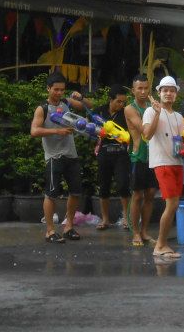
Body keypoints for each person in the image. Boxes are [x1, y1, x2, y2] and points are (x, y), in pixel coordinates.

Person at [29, 71, 86, 243]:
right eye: (56, 90)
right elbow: (34, 131)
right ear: (48, 89)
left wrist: (81, 98)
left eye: (62, 90)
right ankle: (50, 231)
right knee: (51, 194)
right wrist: (56, 131)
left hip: (71, 154)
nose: (59, 93)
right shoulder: (42, 108)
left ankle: (68, 227)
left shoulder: (67, 103)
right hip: (54, 156)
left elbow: (87, 108)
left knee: (76, 192)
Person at [141, 76, 184, 259]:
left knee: (173, 205)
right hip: (162, 163)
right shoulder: (151, 112)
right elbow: (147, 136)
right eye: (165, 90)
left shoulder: (179, 117)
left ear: (176, 94)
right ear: (159, 93)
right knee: (172, 204)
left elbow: (181, 143)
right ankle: (160, 245)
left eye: (172, 90)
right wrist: (157, 113)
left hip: (177, 162)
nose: (168, 93)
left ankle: (162, 243)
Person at [124, 74, 158, 247]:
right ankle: (135, 232)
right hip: (139, 156)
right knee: (137, 195)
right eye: (140, 88)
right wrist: (157, 114)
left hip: (155, 156)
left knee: (151, 194)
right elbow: (145, 132)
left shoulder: (154, 107)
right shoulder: (130, 109)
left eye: (146, 88)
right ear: (133, 90)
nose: (143, 91)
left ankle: (144, 231)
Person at [95, 85, 131, 230]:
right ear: (110, 100)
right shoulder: (100, 112)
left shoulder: (125, 113)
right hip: (104, 152)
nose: (121, 105)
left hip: (121, 153)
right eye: (118, 101)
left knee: (123, 184)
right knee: (104, 186)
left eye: (123, 102)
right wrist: (99, 134)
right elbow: (88, 127)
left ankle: (126, 218)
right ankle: (105, 219)